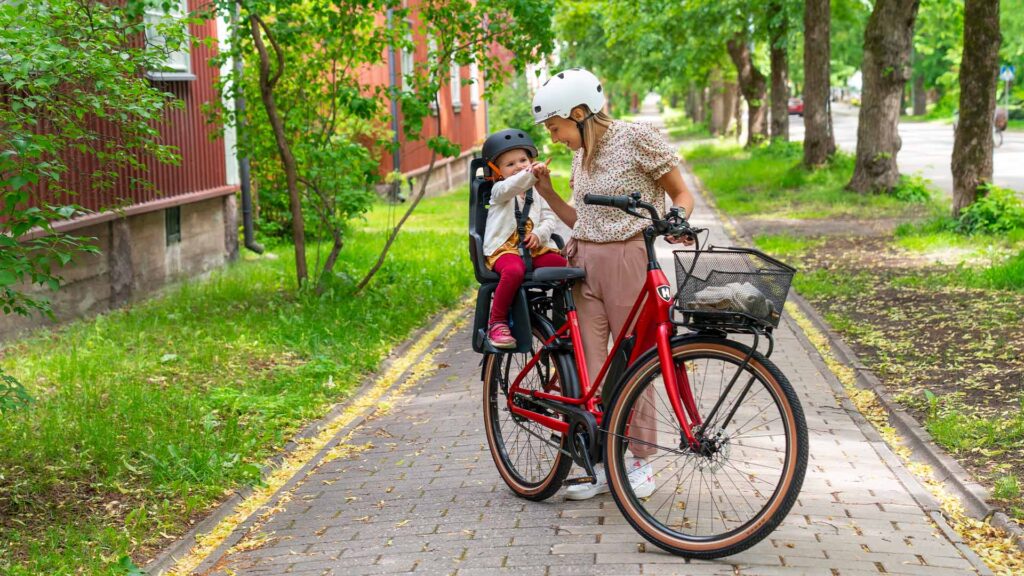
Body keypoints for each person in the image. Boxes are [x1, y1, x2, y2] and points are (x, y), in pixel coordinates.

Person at [530, 68, 696, 500]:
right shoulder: (578, 155)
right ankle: (604, 461)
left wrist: (677, 219)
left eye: (556, 127)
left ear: (580, 113)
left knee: (635, 364)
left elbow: (681, 193)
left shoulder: (637, 138)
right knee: (592, 368)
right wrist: (547, 194)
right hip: (582, 261)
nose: (554, 137)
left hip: (627, 259)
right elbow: (580, 222)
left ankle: (638, 460)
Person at [481, 129, 568, 349]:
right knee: (514, 270)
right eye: (510, 164)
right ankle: (497, 321)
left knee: (566, 268)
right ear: (497, 171)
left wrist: (539, 234)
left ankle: (563, 316)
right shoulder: (499, 190)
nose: (519, 166)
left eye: (523, 160)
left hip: (533, 250)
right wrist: (530, 174)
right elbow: (513, 186)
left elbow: (549, 217)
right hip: (503, 250)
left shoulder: (536, 191)